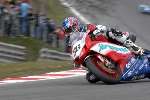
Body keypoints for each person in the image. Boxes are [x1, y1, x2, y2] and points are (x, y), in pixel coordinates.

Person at [62, 16, 145, 82]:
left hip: (108, 42)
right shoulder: (71, 42)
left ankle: (135, 48)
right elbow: (75, 58)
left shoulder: (87, 27)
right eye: (68, 31)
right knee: (90, 78)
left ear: (76, 24)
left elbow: (100, 27)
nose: (71, 31)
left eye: (71, 28)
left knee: (110, 31)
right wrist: (76, 61)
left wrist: (96, 30)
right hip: (92, 52)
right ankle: (107, 70)